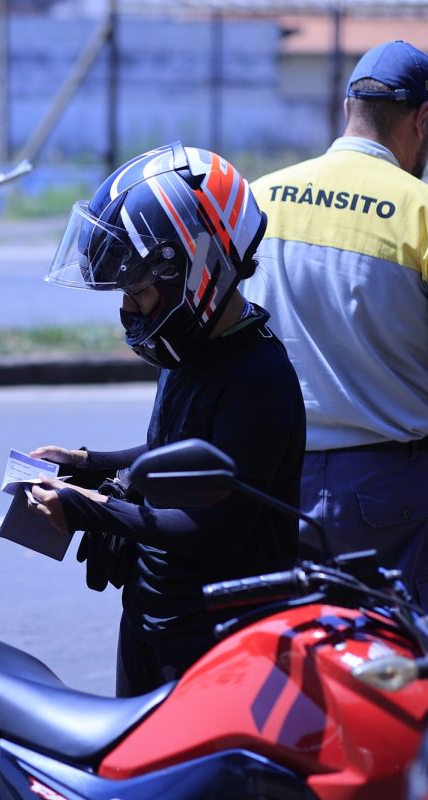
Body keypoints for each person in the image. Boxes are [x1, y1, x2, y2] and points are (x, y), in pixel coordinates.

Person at [27, 142, 305, 697]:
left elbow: (213, 527)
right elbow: (175, 450)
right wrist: (88, 463)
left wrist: (94, 510)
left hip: (220, 641)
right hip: (154, 614)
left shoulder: (258, 376)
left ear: (198, 270)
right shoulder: (190, 348)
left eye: (139, 291)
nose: (127, 310)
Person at [243, 40, 428, 604]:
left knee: (289, 665)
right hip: (390, 496)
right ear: (423, 119)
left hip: (269, 481)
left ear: (348, 110)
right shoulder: (419, 212)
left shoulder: (258, 199)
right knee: (389, 674)